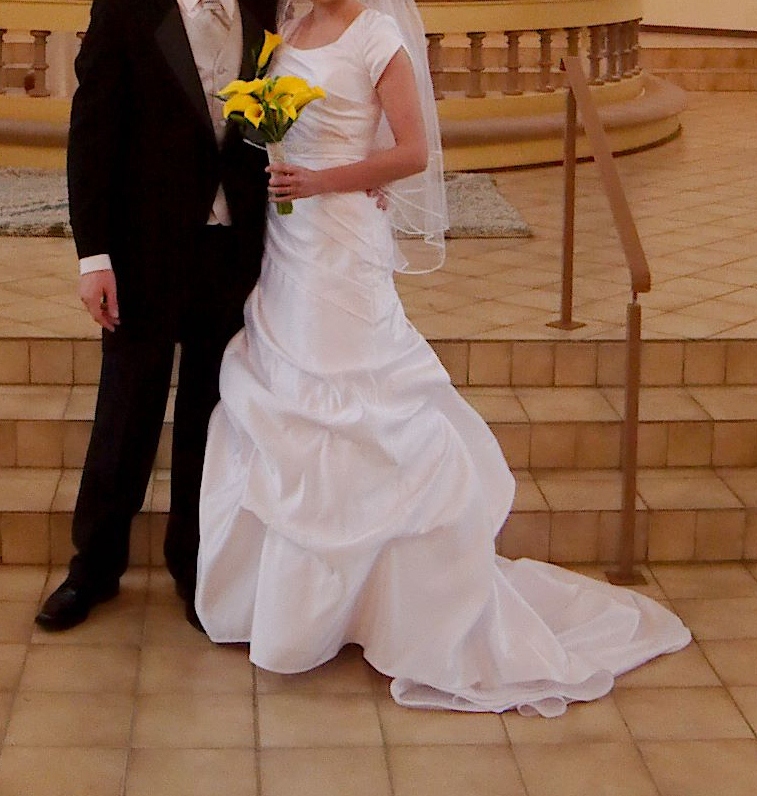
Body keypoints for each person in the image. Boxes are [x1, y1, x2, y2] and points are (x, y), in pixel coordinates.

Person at [195, 0, 691, 715]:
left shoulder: (377, 35)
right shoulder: (288, 24)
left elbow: (412, 153)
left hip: (340, 239)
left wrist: (327, 180)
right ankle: (309, 605)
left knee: (359, 406)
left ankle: (389, 607)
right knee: (287, 400)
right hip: (287, 238)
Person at [34, 0, 278, 632]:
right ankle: (94, 568)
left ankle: (193, 564)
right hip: (143, 251)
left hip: (233, 248)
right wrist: (94, 256)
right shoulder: (126, 8)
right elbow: (92, 132)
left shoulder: (265, 6)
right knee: (126, 411)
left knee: (208, 413)